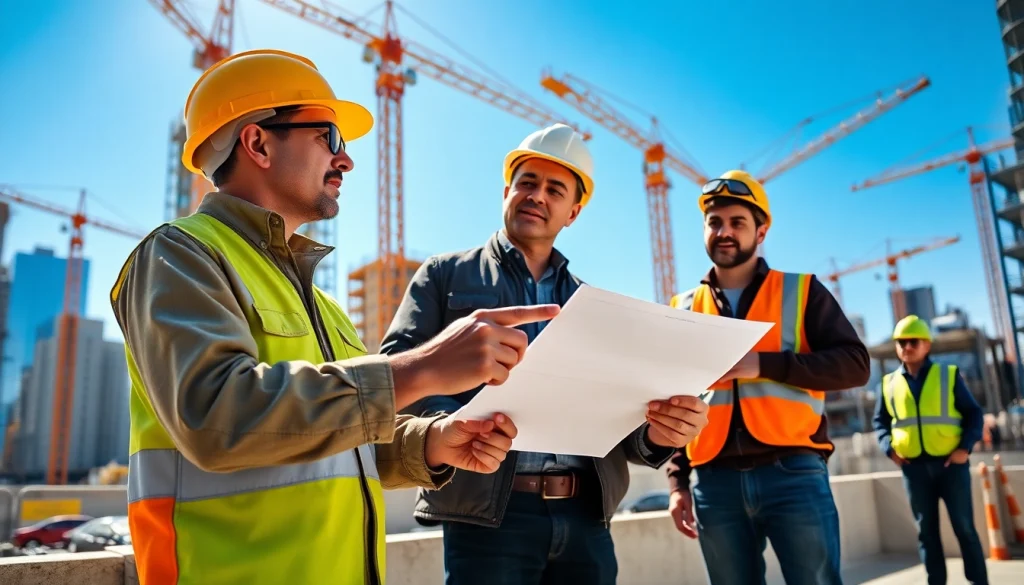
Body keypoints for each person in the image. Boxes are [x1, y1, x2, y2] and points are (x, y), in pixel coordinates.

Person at [111, 48, 557, 585]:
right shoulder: (180, 255)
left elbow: (338, 441)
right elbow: (216, 416)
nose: (346, 161)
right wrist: (423, 368)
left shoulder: (322, 305)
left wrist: (431, 441)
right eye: (330, 137)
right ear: (258, 143)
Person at [379, 123, 710, 585]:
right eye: (527, 182)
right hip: (486, 518)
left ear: (572, 213)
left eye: (555, 190)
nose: (537, 196)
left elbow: (623, 421)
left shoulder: (592, 306)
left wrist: (661, 431)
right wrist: (448, 427)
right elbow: (397, 373)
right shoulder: (443, 276)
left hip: (586, 517)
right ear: (506, 192)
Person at [664, 170, 870, 585]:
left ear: (761, 231)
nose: (724, 232)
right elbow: (674, 401)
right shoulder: (681, 308)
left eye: (737, 222)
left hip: (793, 473)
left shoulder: (803, 291)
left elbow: (855, 364)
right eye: (714, 222)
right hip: (713, 482)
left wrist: (765, 365)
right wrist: (677, 482)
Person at [873, 315, 987, 585]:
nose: (906, 347)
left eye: (913, 341)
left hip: (951, 466)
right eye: (901, 342)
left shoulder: (948, 375)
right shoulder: (888, 384)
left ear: (927, 344)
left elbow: (974, 414)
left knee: (964, 528)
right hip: (913, 469)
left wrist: (964, 449)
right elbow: (880, 422)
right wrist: (889, 449)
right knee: (926, 533)